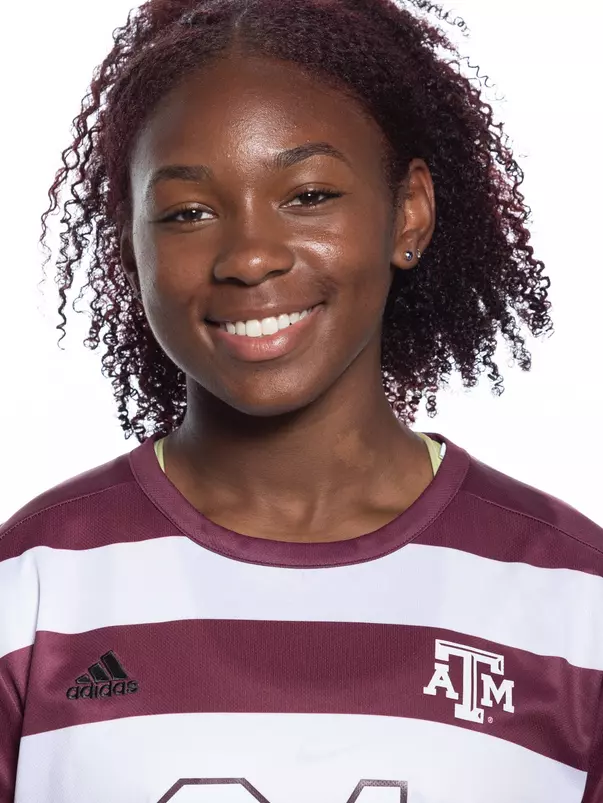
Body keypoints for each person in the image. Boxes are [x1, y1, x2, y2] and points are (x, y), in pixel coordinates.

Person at [1, 0, 601, 800]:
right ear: (129, 246)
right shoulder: (35, 585)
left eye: (308, 195)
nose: (249, 257)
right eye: (187, 212)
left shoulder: (570, 593)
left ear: (408, 214)